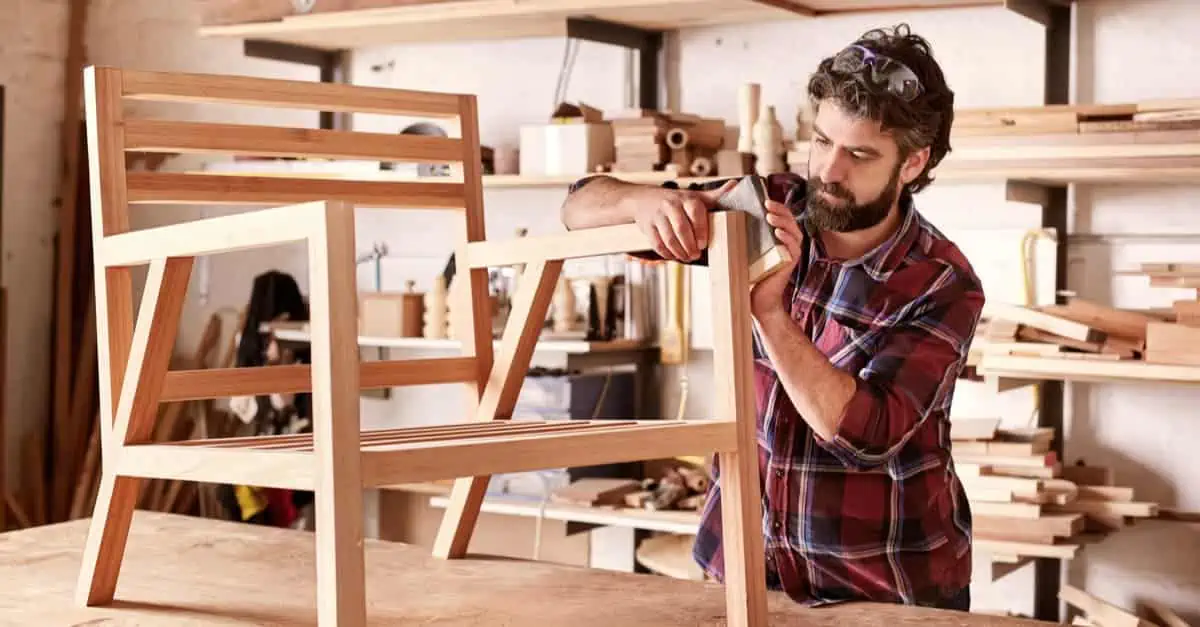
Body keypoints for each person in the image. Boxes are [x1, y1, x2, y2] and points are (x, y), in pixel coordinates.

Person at [559, 24, 983, 611]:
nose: (829, 171)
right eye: (822, 140)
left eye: (859, 154)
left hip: (881, 589)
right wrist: (647, 202)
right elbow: (578, 206)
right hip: (744, 573)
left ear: (913, 163)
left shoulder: (941, 281)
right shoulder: (765, 206)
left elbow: (865, 434)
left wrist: (769, 312)